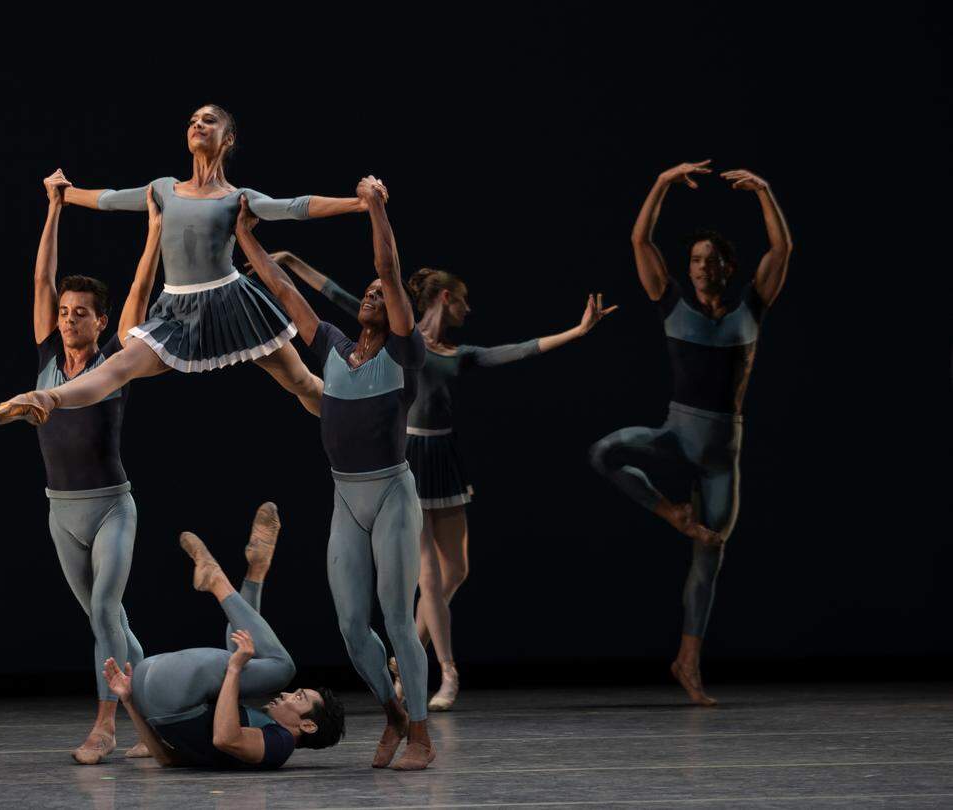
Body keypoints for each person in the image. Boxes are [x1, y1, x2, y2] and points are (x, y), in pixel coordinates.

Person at [266, 252, 617, 711]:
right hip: (403, 455)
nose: (467, 311)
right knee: (429, 579)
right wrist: (291, 261)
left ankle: (408, 648)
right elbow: (331, 291)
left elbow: (513, 351)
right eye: (463, 302)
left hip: (443, 457)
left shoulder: (453, 352)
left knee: (456, 570)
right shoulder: (395, 334)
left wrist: (577, 331)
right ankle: (445, 673)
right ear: (446, 298)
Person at [0, 104, 386, 426]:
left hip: (235, 306)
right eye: (193, 120)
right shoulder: (164, 190)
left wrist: (359, 204)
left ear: (227, 139)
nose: (198, 124)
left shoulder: (237, 197)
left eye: (208, 120)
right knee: (119, 366)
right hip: (176, 311)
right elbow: (109, 198)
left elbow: (296, 207)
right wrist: (66, 193)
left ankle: (360, 422)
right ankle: (44, 397)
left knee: (300, 381)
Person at [235, 179, 435, 770]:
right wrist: (247, 235)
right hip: (346, 498)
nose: (374, 295)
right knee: (350, 626)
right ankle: (393, 716)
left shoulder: (405, 352)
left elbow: (390, 269)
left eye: (382, 293)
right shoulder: (332, 346)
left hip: (393, 493)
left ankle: (421, 733)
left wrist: (375, 210)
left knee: (397, 618)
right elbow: (280, 286)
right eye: (369, 293)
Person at [588, 161, 792, 705]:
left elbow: (782, 252)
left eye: (710, 260)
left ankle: (687, 660)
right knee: (605, 451)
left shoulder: (752, 307)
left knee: (710, 555)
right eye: (695, 260)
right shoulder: (671, 303)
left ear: (727, 266)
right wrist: (659, 183)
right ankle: (669, 512)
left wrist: (765, 192)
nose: (700, 267)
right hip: (676, 434)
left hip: (723, 452)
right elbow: (640, 238)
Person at [21, 170, 161, 763]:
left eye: (81, 313)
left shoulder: (116, 361)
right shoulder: (49, 357)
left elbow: (139, 289)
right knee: (111, 623)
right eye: (65, 311)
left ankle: (105, 724)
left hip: (111, 507)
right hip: (62, 513)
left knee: (105, 610)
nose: (70, 318)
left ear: (100, 322)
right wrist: (54, 207)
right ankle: (159, 709)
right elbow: (42, 277)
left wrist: (154, 230)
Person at [102, 503, 346, 769]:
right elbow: (166, 759)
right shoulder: (268, 733)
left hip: (174, 695)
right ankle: (255, 572)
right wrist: (129, 699)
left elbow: (225, 738)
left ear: (307, 725)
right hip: (154, 693)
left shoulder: (280, 745)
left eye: (298, 698)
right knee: (244, 653)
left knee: (281, 666)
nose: (286, 695)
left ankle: (220, 580)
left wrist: (234, 669)